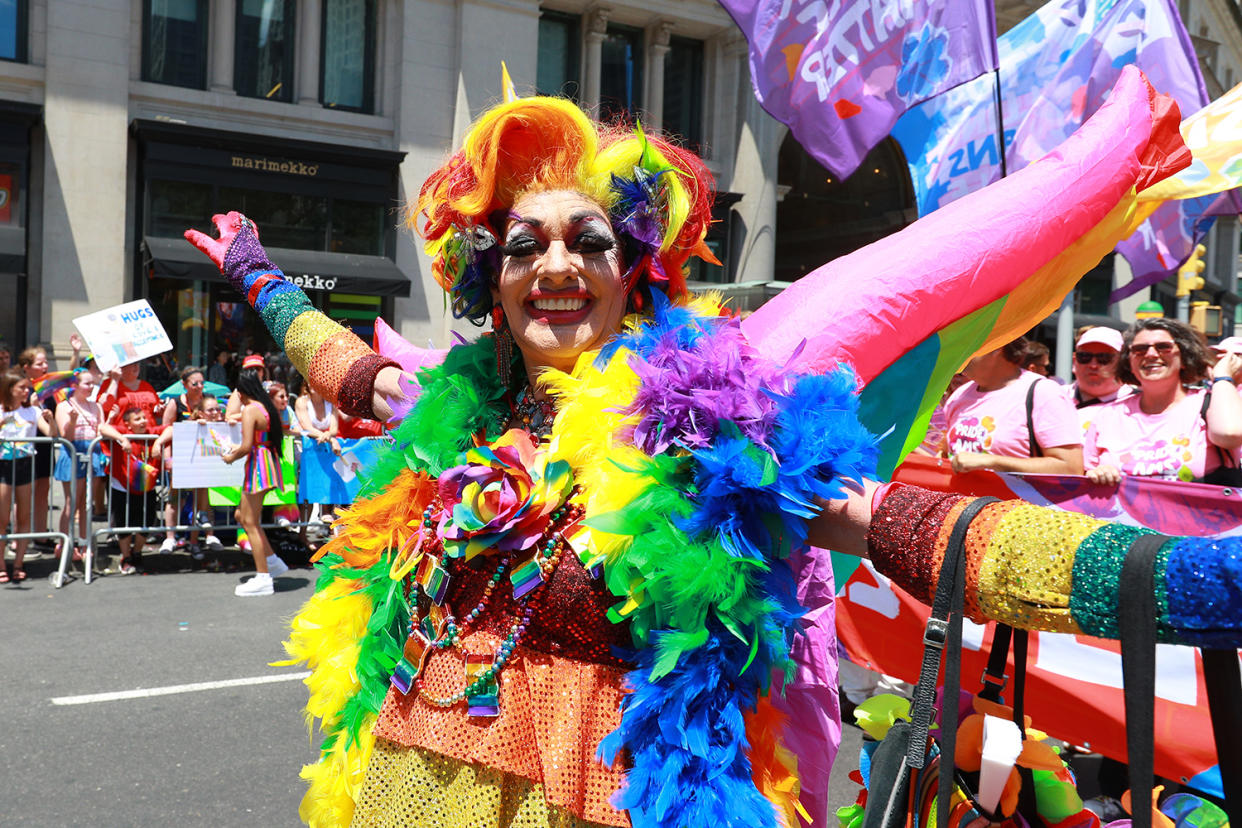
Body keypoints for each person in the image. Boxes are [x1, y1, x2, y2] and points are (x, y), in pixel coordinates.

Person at [183, 97, 1242, 828]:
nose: (555, 266)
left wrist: (1177, 578)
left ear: (634, 273)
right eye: (523, 245)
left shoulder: (709, 425)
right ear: (488, 282)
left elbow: (904, 528)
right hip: (413, 784)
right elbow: (349, 372)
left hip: (613, 796)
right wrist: (259, 277)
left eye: (588, 242)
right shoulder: (451, 412)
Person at [1085, 318, 1242, 485]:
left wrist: (1223, 377)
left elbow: (1230, 435)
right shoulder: (1107, 416)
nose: (1151, 354)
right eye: (1140, 349)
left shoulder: (1211, 403)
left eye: (1163, 347)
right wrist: (1098, 473)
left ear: (1184, 356)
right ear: (1129, 362)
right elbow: (1084, 474)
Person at [942, 337, 1084, 475]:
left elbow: (1070, 468)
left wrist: (993, 461)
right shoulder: (959, 395)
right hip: (962, 498)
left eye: (966, 346)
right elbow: (944, 455)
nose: (959, 353)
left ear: (996, 346)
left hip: (1016, 498)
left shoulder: (1044, 392)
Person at [220, 369, 289, 596]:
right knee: (243, 516)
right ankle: (272, 562)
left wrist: (231, 456)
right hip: (266, 464)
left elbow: (247, 445)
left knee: (249, 522)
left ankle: (263, 577)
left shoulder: (250, 409)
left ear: (241, 392)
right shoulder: (264, 406)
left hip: (258, 467)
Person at [98, 406, 171, 575]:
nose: (143, 421)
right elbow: (102, 427)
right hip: (122, 486)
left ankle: (137, 553)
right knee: (123, 523)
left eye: (144, 418)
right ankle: (126, 557)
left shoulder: (151, 432)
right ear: (128, 424)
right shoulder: (122, 431)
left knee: (146, 521)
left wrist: (159, 442)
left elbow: (170, 428)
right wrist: (122, 439)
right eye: (137, 419)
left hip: (147, 486)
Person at [0, 370, 52, 582]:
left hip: (25, 464)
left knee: (24, 517)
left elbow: (51, 434)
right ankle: (1, 564)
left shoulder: (33, 412)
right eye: (21, 387)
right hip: (3, 465)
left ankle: (19, 563)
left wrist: (50, 419)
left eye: (27, 387)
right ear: (10, 389)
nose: (26, 391)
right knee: (2, 518)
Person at [53, 372, 102, 559]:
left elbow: (100, 430)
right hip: (73, 453)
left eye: (92, 384)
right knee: (71, 502)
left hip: (92, 452)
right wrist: (72, 421)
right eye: (87, 384)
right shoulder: (63, 406)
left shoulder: (96, 406)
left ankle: (84, 543)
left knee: (86, 503)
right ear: (75, 385)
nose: (91, 387)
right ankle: (65, 544)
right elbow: (67, 437)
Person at [16, 346, 57, 542]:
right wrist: (32, 406)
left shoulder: (48, 389)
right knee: (22, 494)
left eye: (45, 362)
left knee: (43, 489)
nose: (45, 366)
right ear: (27, 367)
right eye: (40, 363)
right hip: (24, 447)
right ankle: (17, 538)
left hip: (44, 445)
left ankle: (40, 535)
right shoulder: (19, 387)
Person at [1067, 326, 1130, 408]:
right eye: (1084, 357)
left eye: (1103, 358)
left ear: (1122, 363)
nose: (1093, 365)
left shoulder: (1140, 405)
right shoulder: (1054, 397)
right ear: (1074, 363)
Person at [226, 353, 267, 423]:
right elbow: (229, 417)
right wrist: (252, 413)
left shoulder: (268, 389)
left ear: (263, 372)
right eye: (250, 369)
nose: (254, 372)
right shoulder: (238, 392)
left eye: (258, 369)